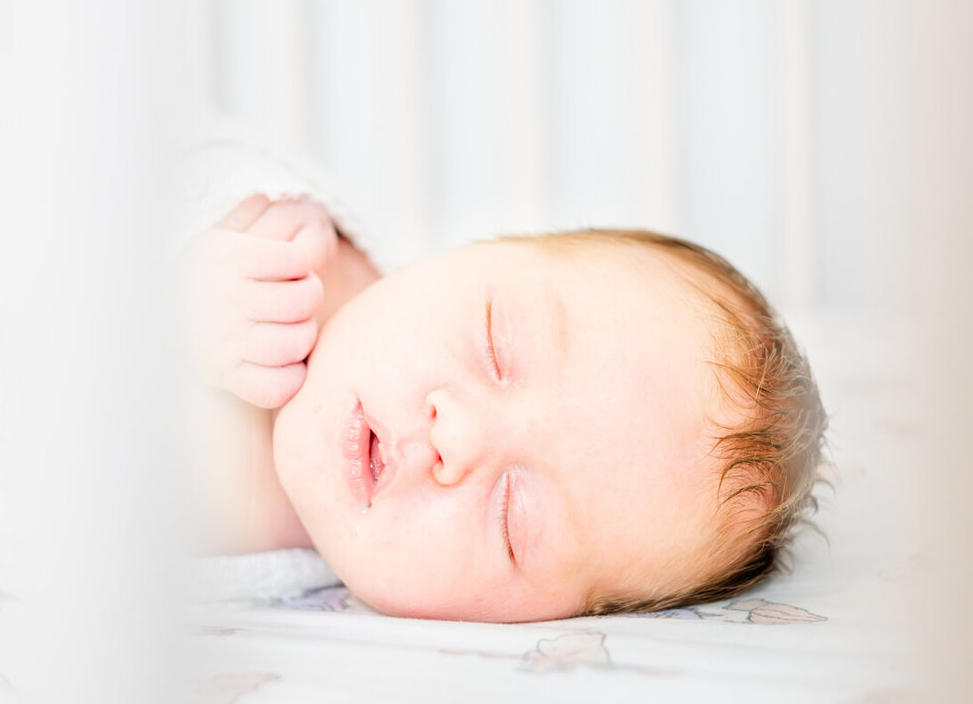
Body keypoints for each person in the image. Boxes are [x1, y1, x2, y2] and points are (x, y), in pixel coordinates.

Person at [179, 191, 827, 623]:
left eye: (515, 521)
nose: (453, 440)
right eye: (496, 347)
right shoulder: (266, 239)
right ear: (469, 251)